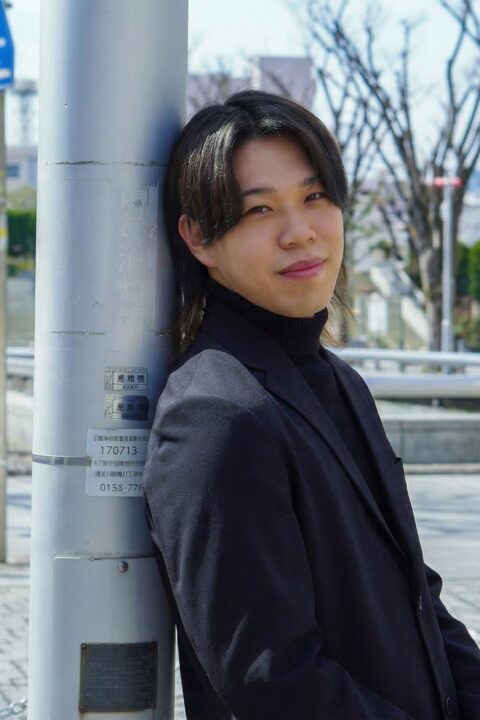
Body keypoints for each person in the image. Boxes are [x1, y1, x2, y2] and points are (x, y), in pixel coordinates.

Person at [142, 90, 480, 720]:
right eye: (260, 209)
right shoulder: (216, 414)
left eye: (315, 197)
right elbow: (271, 678)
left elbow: (417, 597)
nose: (300, 232)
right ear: (199, 238)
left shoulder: (341, 383)